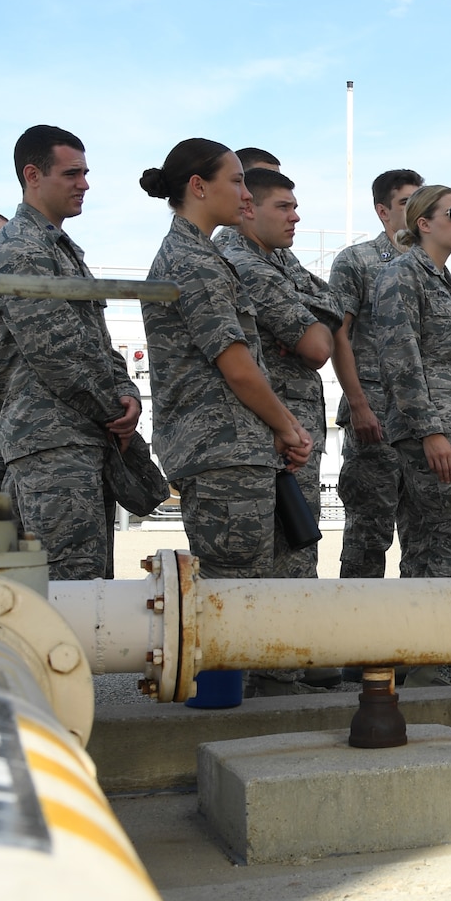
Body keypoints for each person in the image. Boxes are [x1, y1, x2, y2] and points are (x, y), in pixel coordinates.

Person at [141, 140, 313, 609]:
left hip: (231, 449)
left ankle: (260, 685)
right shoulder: (193, 261)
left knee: (247, 596)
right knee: (236, 603)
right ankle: (247, 687)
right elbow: (236, 366)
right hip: (223, 456)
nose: (245, 194)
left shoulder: (201, 255)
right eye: (236, 181)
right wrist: (286, 426)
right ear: (199, 186)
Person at [0, 126, 141, 581]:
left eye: (85, 173)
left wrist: (127, 393)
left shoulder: (61, 251)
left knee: (90, 587)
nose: (84, 184)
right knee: (69, 592)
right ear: (33, 175)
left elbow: (97, 342)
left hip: (80, 438)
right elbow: (57, 352)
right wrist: (116, 409)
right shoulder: (20, 249)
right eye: (72, 173)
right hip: (49, 444)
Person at [372, 185, 451, 688]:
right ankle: (435, 658)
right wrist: (431, 432)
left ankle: (413, 657)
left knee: (423, 548)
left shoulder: (442, 280)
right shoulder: (403, 276)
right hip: (435, 436)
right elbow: (401, 360)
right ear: (424, 223)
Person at [221, 167, 340, 581]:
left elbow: (331, 301)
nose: (295, 217)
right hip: (277, 439)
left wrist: (316, 312)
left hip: (291, 436)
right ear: (249, 209)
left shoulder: (278, 259)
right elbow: (319, 347)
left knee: (295, 559)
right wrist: (318, 316)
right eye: (284, 206)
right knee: (284, 568)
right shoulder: (246, 264)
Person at [329, 168, 421, 579]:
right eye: (406, 202)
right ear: (383, 211)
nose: (418, 209)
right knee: (369, 533)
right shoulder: (357, 261)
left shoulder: (430, 263)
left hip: (423, 420)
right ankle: (355, 631)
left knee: (425, 531)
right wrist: (358, 404)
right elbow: (338, 336)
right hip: (376, 418)